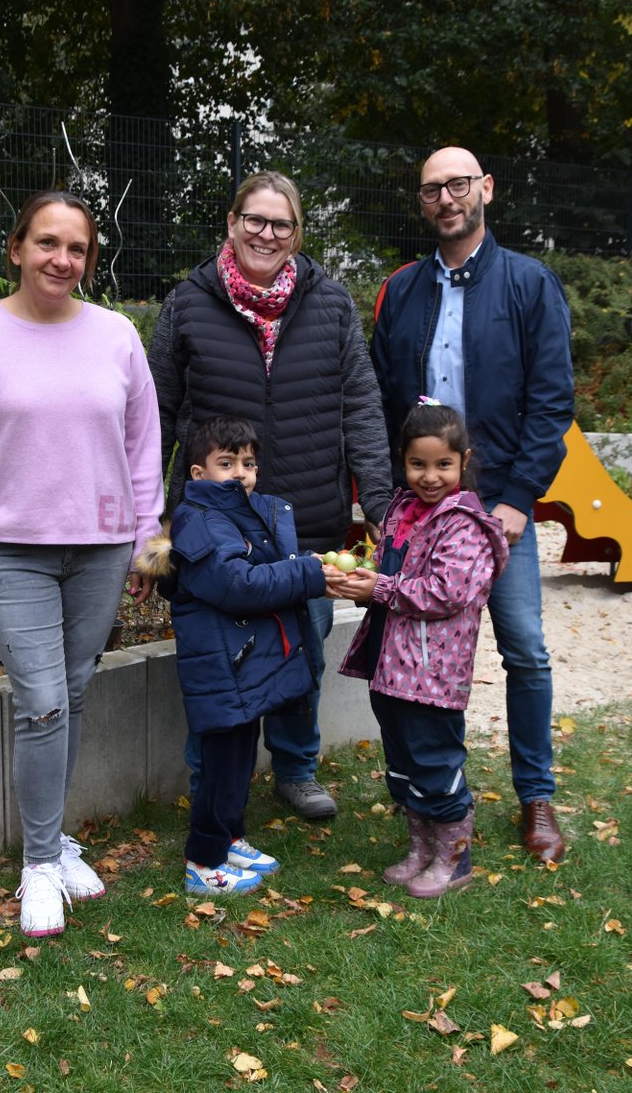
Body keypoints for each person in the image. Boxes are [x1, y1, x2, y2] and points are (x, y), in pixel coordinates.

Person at [0, 191, 164, 937]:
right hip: (10, 551)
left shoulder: (117, 336)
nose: (62, 260)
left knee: (73, 692)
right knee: (44, 698)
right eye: (47, 243)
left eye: (77, 248)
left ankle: (54, 841)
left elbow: (143, 446)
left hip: (101, 546)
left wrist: (148, 536)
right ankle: (41, 865)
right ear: (16, 247)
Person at [148, 170, 392, 820]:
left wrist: (385, 509)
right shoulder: (189, 303)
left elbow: (363, 411)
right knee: (218, 662)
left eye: (280, 223)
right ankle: (212, 785)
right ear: (231, 223)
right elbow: (152, 418)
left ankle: (296, 770)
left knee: (301, 657)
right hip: (214, 529)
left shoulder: (331, 304)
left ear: (297, 234)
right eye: (254, 219)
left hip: (305, 519)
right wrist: (152, 529)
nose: (266, 233)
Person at [371, 146, 575, 862]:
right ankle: (432, 802)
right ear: (422, 201)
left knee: (524, 650)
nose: (447, 198)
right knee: (417, 655)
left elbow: (551, 405)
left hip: (496, 515)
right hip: (420, 513)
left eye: (459, 184)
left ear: (485, 188)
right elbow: (378, 401)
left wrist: (518, 499)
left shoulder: (528, 283)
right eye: (432, 189)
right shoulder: (400, 292)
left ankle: (536, 797)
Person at [137, 416, 335, 894]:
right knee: (221, 766)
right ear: (199, 475)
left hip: (242, 663)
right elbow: (236, 585)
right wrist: (310, 573)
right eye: (226, 463)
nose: (241, 473)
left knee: (240, 760)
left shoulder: (240, 514)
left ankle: (231, 838)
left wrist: (306, 565)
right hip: (221, 668)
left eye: (248, 463)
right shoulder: (199, 521)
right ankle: (203, 862)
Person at [337, 401, 508, 897]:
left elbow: (446, 591)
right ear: (403, 460)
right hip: (390, 662)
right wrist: (359, 575)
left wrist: (380, 589)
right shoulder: (401, 510)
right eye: (418, 464)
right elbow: (393, 568)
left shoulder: (464, 523)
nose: (430, 477)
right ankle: (421, 848)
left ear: (463, 461)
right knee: (404, 760)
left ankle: (454, 858)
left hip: (433, 670)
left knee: (435, 761)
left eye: (442, 465)